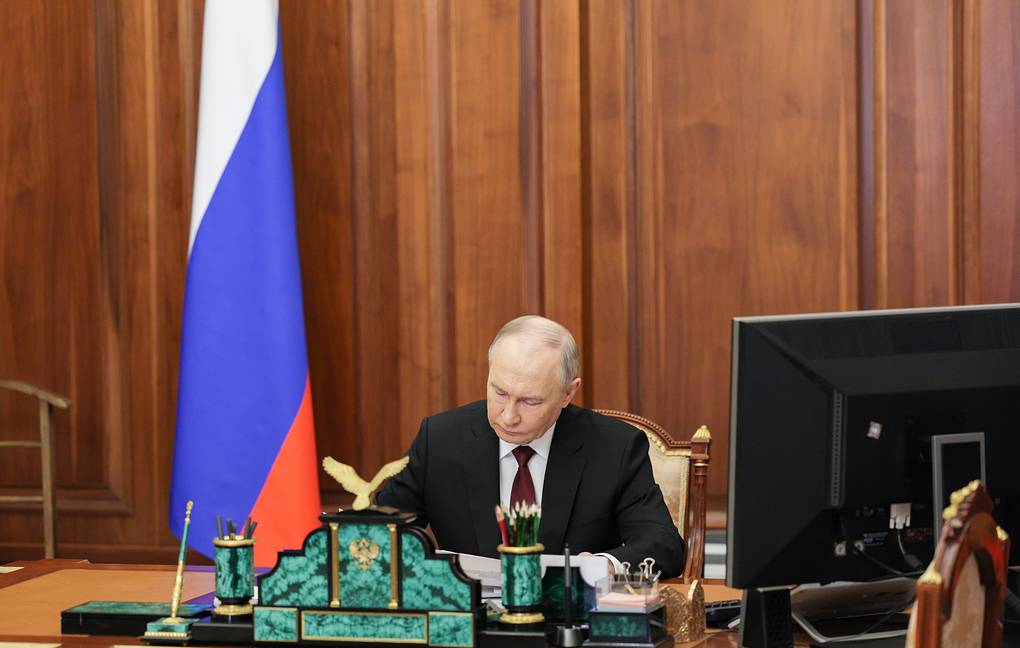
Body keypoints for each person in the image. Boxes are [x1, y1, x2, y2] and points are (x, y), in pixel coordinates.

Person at [376, 315, 686, 578]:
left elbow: (663, 544)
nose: (508, 416)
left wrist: (603, 565)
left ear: (568, 393)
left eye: (530, 401)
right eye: (500, 392)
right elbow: (380, 531)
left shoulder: (615, 447)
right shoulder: (440, 439)